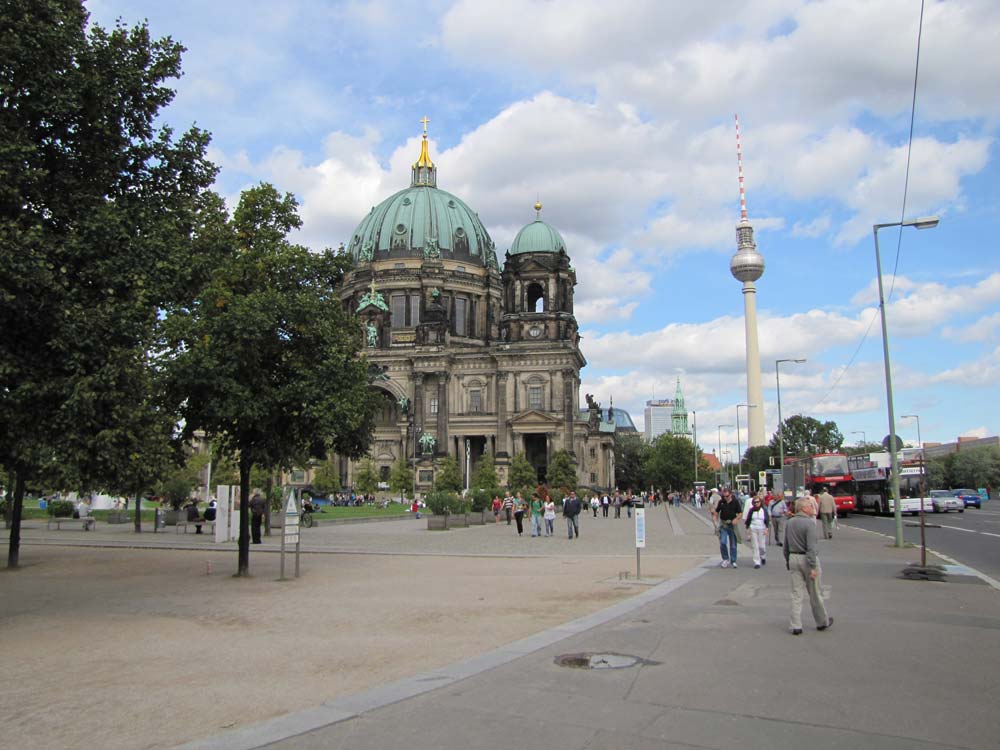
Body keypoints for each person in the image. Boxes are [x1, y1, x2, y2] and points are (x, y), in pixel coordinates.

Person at [784, 497, 833, 635]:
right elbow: (811, 547)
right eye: (811, 506)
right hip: (807, 558)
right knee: (815, 593)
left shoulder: (790, 522)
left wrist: (788, 561)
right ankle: (822, 622)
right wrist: (812, 567)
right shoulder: (809, 524)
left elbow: (786, 545)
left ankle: (795, 625)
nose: (813, 508)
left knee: (796, 594)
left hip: (793, 556)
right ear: (804, 508)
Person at [713, 488, 741, 568]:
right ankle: (725, 559)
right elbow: (717, 511)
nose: (725, 498)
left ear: (730, 495)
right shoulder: (721, 502)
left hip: (732, 524)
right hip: (724, 524)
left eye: (727, 496)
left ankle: (733, 560)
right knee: (723, 542)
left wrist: (736, 519)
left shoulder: (735, 502)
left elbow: (740, 513)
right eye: (723, 496)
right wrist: (715, 518)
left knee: (733, 544)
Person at [744, 496, 769, 568]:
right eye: (755, 502)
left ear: (760, 502)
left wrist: (767, 528)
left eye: (758, 502)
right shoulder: (751, 510)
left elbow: (767, 519)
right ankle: (757, 562)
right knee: (755, 546)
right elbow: (748, 520)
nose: (756, 503)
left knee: (761, 546)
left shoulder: (764, 510)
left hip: (762, 528)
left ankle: (763, 556)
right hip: (753, 528)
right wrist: (747, 528)